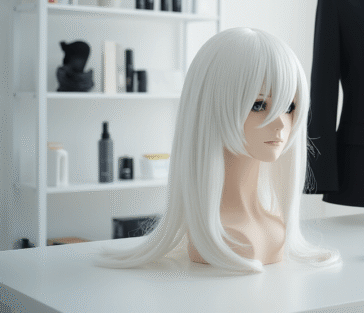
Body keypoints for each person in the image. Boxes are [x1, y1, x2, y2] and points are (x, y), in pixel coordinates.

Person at [94, 27, 341, 274]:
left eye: (288, 106)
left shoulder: (276, 226)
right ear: (212, 105)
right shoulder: (228, 235)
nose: (280, 124)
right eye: (259, 105)